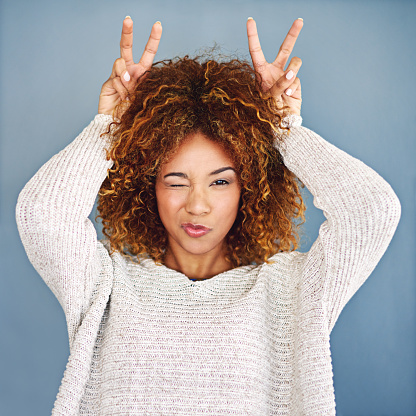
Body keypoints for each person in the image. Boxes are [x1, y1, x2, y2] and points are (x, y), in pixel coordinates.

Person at [16, 16, 400, 415]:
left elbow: (373, 210)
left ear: (247, 189)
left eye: (220, 182)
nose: (196, 205)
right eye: (176, 181)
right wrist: (108, 128)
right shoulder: (105, 287)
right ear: (148, 188)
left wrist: (285, 129)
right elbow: (40, 213)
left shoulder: (291, 291)